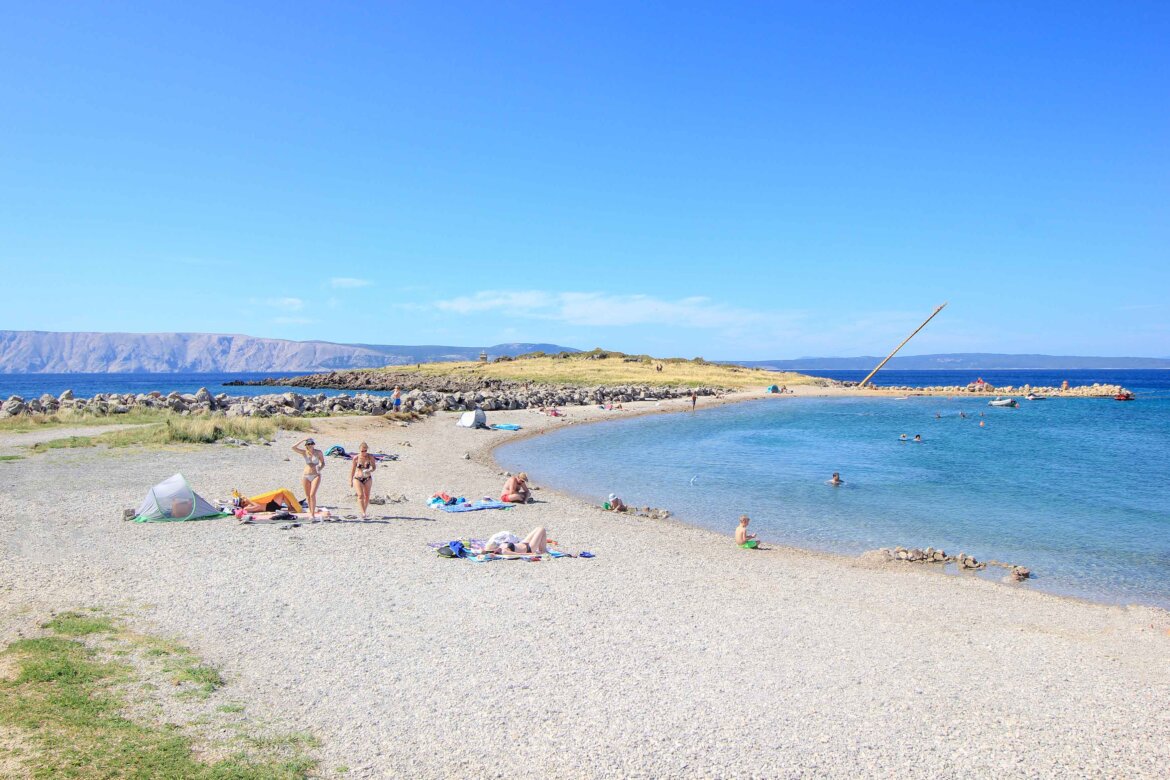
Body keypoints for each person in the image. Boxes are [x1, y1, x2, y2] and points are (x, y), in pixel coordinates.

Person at [292, 437, 325, 518]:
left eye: (311, 444)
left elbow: (323, 462)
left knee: (312, 494)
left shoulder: (318, 452)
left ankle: (313, 514)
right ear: (306, 445)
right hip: (306, 475)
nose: (310, 445)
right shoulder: (304, 452)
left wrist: (320, 468)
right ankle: (311, 513)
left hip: (316, 475)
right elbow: (293, 447)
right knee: (307, 496)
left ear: (314, 444)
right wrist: (303, 439)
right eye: (308, 444)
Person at [349, 441, 377, 519]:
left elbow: (374, 467)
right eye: (362, 451)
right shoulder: (356, 458)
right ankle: (363, 512)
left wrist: (369, 470)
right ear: (359, 450)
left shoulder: (370, 457)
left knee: (367, 495)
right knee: (360, 495)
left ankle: (364, 511)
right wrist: (350, 480)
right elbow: (352, 470)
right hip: (358, 478)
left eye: (365, 451)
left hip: (367, 478)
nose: (364, 452)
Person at [484, 527, 553, 555]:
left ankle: (542, 549)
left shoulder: (501, 546)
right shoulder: (504, 551)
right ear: (494, 550)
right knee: (542, 529)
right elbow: (519, 555)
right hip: (529, 548)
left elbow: (483, 551)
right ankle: (543, 551)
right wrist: (531, 554)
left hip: (523, 543)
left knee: (538, 528)